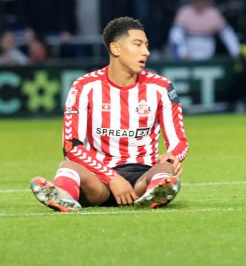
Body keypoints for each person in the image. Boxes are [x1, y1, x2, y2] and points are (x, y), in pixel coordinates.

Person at [29, 17, 187, 212]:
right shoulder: (84, 87)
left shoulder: (161, 87)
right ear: (116, 49)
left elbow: (179, 140)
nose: (146, 52)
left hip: (142, 178)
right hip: (98, 179)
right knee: (68, 165)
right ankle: (62, 197)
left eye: (146, 45)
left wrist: (173, 156)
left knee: (165, 169)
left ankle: (155, 194)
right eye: (137, 45)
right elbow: (71, 146)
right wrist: (112, 178)